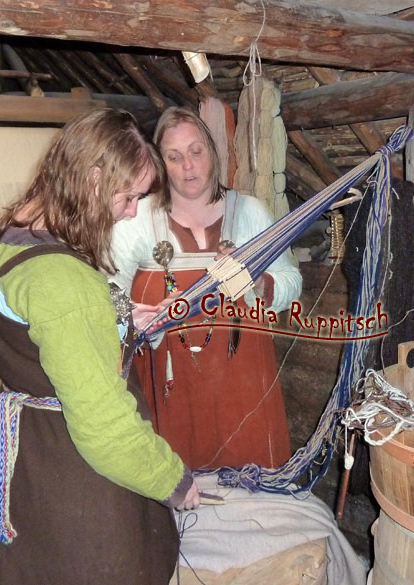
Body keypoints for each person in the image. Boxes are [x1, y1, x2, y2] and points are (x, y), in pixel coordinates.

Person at [0, 108, 199, 585]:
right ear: (94, 180)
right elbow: (104, 427)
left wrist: (116, 318)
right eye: (129, 196)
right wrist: (172, 482)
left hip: (34, 461)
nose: (133, 210)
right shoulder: (63, 281)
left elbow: (41, 325)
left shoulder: (18, 235)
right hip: (75, 485)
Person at [109, 106, 302, 470]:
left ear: (211, 152)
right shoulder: (135, 220)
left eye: (196, 152)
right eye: (174, 156)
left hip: (244, 387)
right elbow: (107, 293)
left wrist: (258, 281)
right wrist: (140, 316)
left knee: (252, 487)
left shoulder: (251, 213)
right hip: (171, 390)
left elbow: (292, 281)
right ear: (160, 162)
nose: (188, 166)